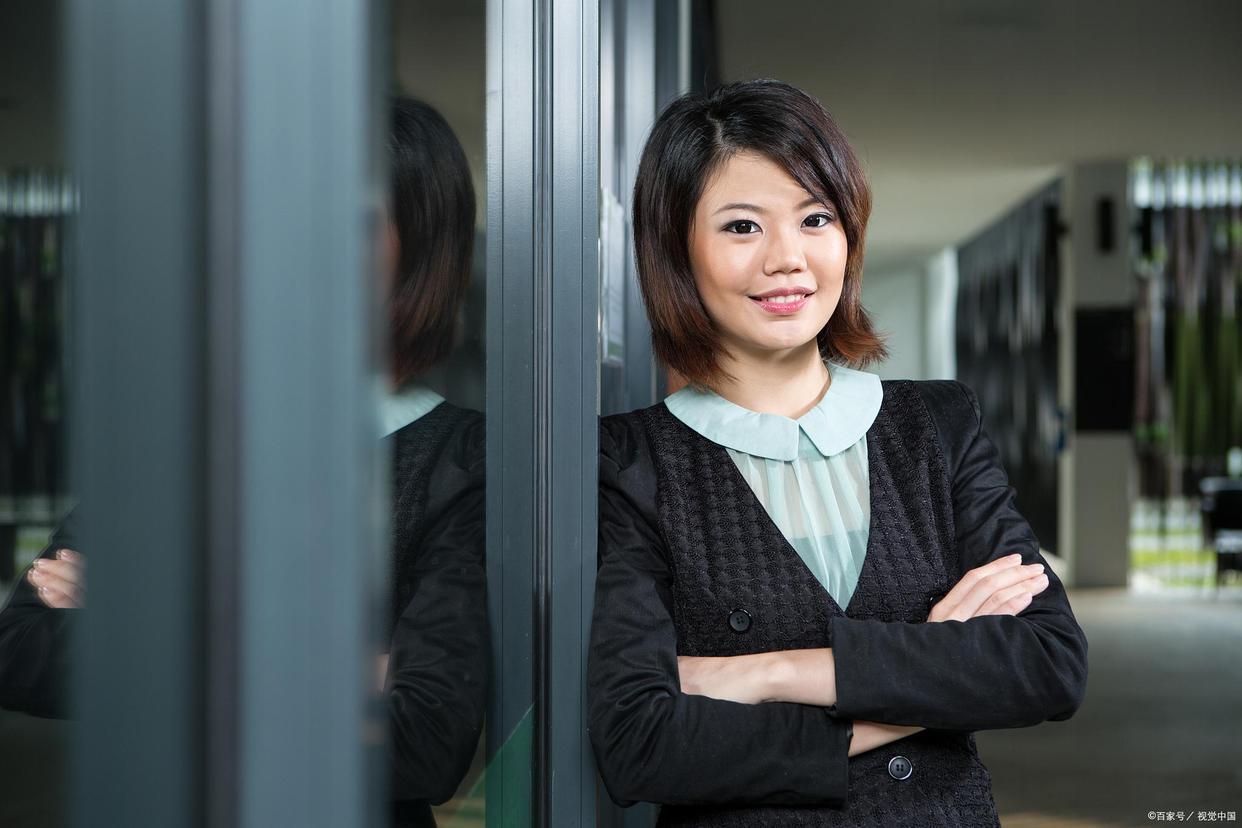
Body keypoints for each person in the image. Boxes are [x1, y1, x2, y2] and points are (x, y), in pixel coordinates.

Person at [586, 79, 1088, 827]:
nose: (788, 259)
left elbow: (1047, 663)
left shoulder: (936, 426)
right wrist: (931, 668)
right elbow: (643, 742)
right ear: (675, 250)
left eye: (815, 218)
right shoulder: (629, 462)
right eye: (742, 227)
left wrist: (767, 673)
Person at [0, 97, 488, 828]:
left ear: (420, 248)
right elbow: (23, 648)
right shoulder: (175, 435)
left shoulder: (465, 462)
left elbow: (423, 741)